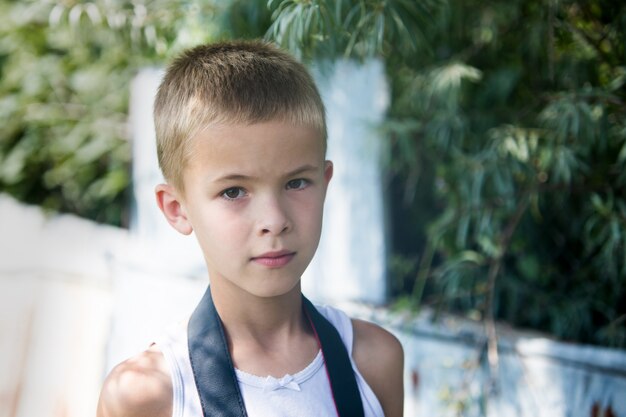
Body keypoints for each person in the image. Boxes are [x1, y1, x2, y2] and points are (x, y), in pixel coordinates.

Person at [97, 40, 404, 417]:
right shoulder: (151, 394)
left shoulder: (373, 362)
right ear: (178, 209)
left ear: (325, 184)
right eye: (234, 191)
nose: (274, 220)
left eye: (296, 183)